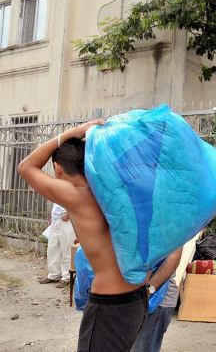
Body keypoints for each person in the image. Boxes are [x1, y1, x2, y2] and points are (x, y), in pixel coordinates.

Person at [18, 120, 148, 351]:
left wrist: (68, 134)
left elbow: (26, 167)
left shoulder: (77, 194)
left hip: (111, 301)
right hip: (137, 297)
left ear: (58, 167)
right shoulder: (110, 188)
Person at [131, 247, 182, 352]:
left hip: (156, 299)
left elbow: (174, 256)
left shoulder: (171, 230)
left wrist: (148, 290)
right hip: (131, 298)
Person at [39, 203, 75, 288]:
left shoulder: (72, 188)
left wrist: (69, 214)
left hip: (66, 219)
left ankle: (67, 277)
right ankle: (54, 274)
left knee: (67, 249)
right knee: (53, 249)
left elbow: (78, 198)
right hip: (56, 219)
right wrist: (52, 216)